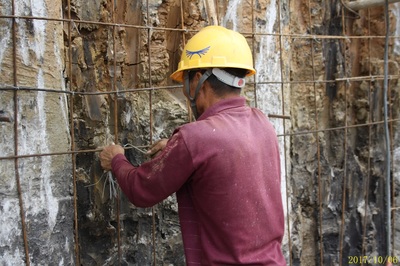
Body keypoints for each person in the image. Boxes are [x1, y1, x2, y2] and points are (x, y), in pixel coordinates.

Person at [99, 25, 286, 265]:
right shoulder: (263, 124)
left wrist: (116, 159)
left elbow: (141, 190)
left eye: (185, 83)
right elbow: (226, 152)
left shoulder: (195, 138)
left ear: (199, 80)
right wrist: (180, 149)